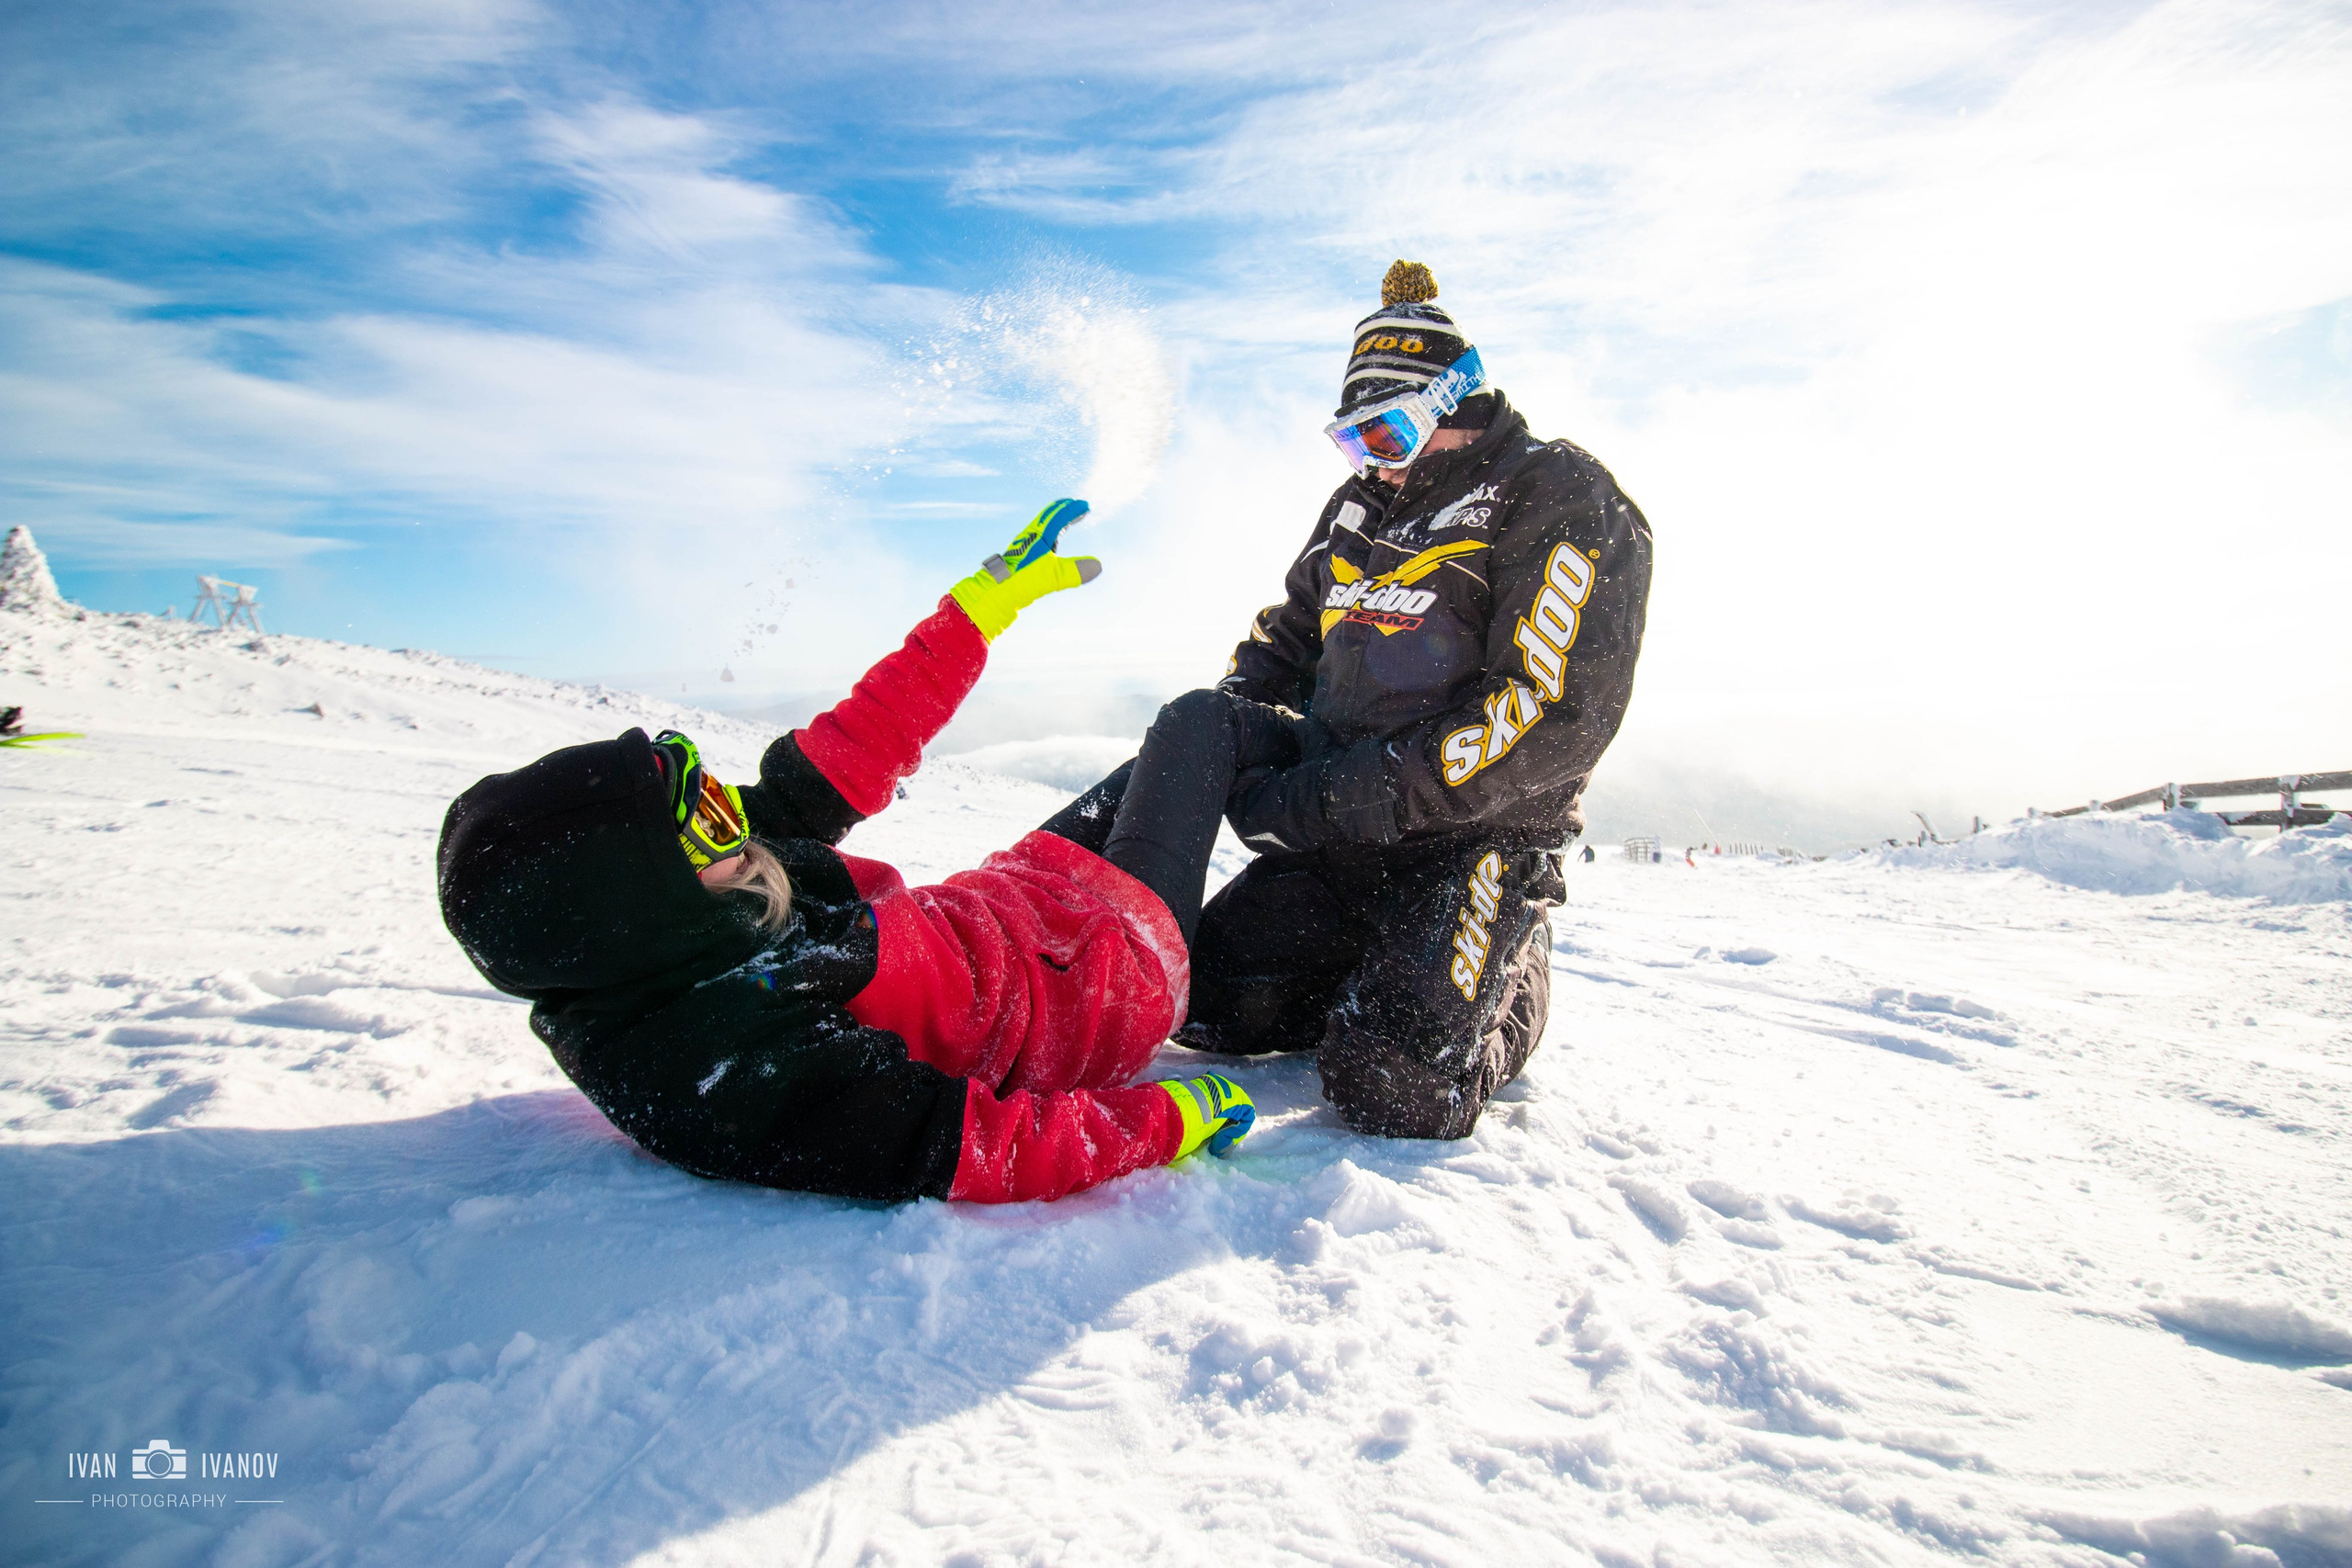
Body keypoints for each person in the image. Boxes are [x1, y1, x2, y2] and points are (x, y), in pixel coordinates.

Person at [438, 502, 1267, 1204]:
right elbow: (972, 1143)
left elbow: (851, 750)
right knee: (1207, 721)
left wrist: (978, 609)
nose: (734, 815)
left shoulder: (702, 900)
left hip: (1017, 906)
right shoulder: (715, 1065)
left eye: (698, 780)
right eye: (702, 823)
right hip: (1096, 988)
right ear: (635, 905)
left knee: (1185, 741)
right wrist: (1168, 1120)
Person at [1178, 262, 1654, 1139]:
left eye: (1388, 433)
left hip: (1472, 838)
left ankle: (1506, 969)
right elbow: (1288, 640)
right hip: (1341, 842)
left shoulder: (1553, 491)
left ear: (1454, 398)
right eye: (1353, 441)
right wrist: (1229, 728)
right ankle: (1392, 967)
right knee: (1202, 1005)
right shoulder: (1359, 507)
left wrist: (1340, 795)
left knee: (1393, 1081)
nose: (1374, 464)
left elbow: (1544, 709)